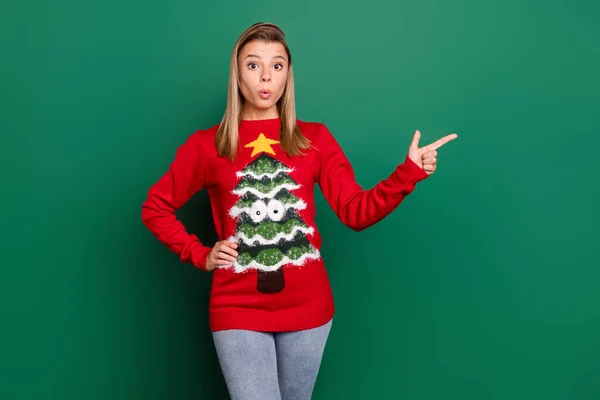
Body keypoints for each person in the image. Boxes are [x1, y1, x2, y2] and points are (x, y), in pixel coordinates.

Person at [141, 22, 457, 400]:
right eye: (253, 64)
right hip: (237, 308)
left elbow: (355, 212)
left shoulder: (315, 140)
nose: (265, 77)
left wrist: (408, 173)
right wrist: (200, 254)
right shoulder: (208, 145)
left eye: (277, 66)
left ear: (288, 74)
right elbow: (155, 207)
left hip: (308, 309)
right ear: (237, 72)